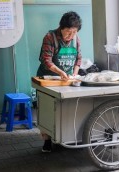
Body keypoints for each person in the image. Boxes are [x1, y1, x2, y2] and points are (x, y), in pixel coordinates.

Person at [37, 11, 82, 152]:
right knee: (47, 110)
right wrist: (60, 72)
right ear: (61, 27)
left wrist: (74, 74)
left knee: (65, 109)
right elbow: (46, 60)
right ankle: (47, 141)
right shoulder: (50, 37)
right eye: (68, 32)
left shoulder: (75, 38)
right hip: (49, 80)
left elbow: (78, 59)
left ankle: (64, 137)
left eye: (74, 32)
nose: (71, 36)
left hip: (66, 80)